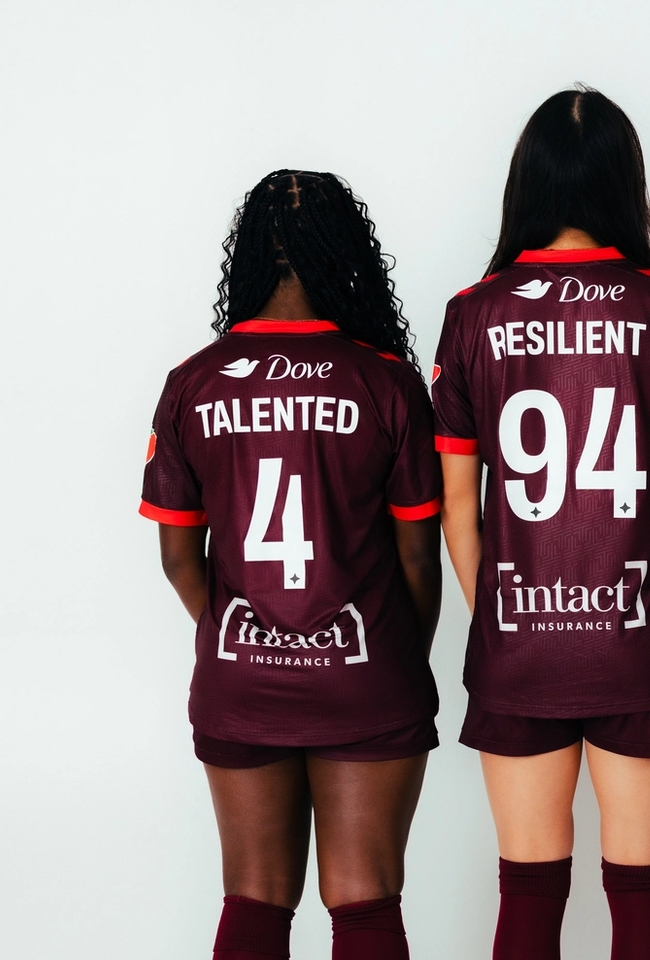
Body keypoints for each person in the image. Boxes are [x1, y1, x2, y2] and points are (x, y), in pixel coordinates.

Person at [431, 87, 650, 960]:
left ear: (527, 183)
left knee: (526, 897)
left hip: (520, 641)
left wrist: (501, 620)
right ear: (625, 185)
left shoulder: (474, 311)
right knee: (642, 899)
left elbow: (458, 505)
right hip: (640, 638)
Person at [141, 169, 442, 960]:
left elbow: (178, 558)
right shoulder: (386, 382)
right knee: (366, 900)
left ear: (247, 256)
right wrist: (394, 657)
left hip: (240, 674)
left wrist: (249, 633)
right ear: (347, 256)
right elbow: (419, 553)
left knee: (254, 898)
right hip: (367, 672)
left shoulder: (193, 383)